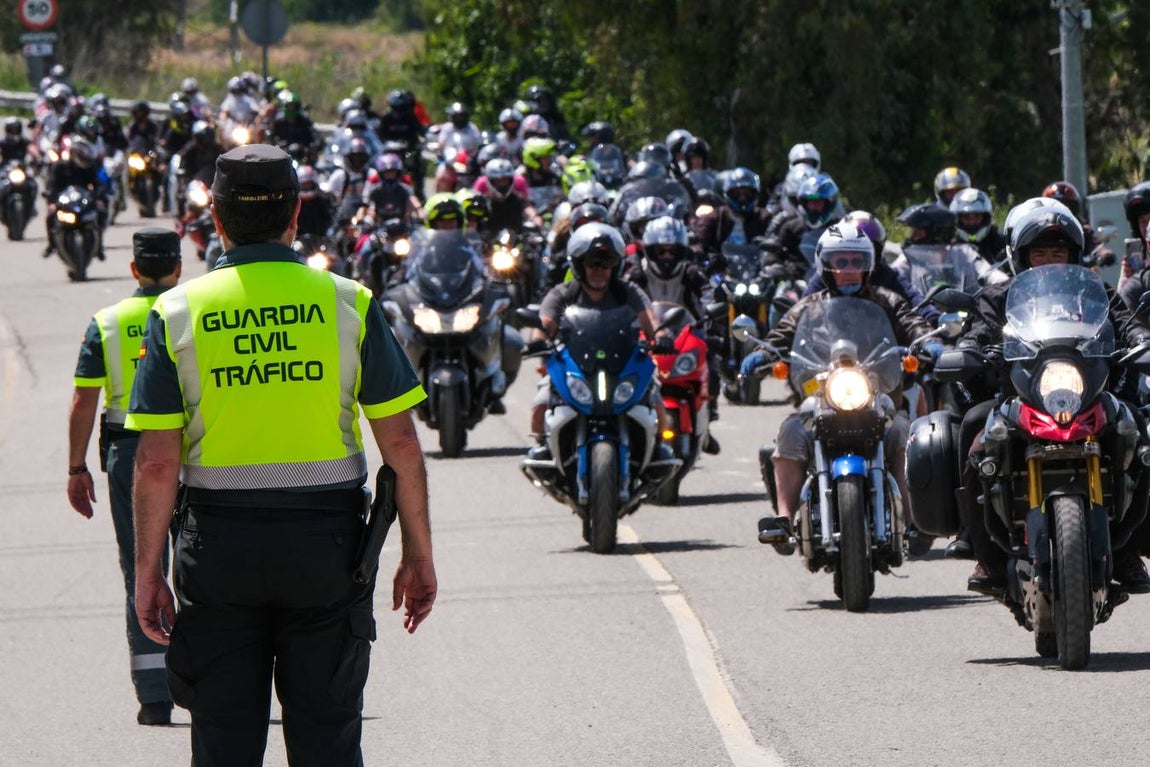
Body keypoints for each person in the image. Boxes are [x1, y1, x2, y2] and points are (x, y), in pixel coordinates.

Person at [127, 145, 436, 765]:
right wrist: (417, 555)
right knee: (328, 739)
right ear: (296, 216)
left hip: (217, 554)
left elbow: (157, 463)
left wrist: (146, 572)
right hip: (327, 556)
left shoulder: (177, 312)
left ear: (214, 220)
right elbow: (400, 442)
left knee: (224, 743)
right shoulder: (350, 302)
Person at [956, 201, 1150, 594]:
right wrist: (969, 349)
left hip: (1087, 394)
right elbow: (976, 332)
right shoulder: (998, 296)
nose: (1048, 259)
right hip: (1021, 396)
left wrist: (1142, 342)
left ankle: (1129, 550)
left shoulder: (1094, 291)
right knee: (973, 427)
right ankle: (986, 555)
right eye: (1039, 252)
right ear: (1021, 256)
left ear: (1072, 255)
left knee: (1137, 432)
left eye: (1056, 252)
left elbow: (1127, 325)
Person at [750, 223, 935, 553]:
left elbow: (913, 323)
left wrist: (929, 342)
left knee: (904, 436)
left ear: (868, 265)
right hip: (822, 400)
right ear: (825, 265)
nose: (849, 269)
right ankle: (784, 520)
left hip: (877, 400)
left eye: (856, 261)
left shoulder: (887, 300)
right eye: (840, 261)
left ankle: (913, 519)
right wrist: (761, 354)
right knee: (791, 433)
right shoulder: (808, 307)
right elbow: (780, 336)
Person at [67, 228, 183, 726]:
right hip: (188, 449)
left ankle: (154, 697)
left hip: (128, 455)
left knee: (142, 566)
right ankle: (205, 685)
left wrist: (76, 467)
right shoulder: (187, 313)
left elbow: (83, 401)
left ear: (134, 269)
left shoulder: (107, 323)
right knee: (200, 563)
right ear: (178, 267)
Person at [527, 222, 675, 459]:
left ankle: (657, 447)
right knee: (541, 403)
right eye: (592, 263)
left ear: (614, 266)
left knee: (657, 399)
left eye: (605, 264)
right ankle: (544, 445)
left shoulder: (628, 292)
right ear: (579, 265)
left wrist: (661, 337)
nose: (599, 270)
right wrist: (538, 339)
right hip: (574, 365)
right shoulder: (564, 292)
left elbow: (651, 320)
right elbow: (545, 321)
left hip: (623, 362)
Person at [948, 187, 1006, 263]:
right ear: (957, 219)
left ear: (985, 218)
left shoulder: (998, 240)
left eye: (977, 216)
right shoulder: (948, 243)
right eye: (966, 217)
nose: (971, 222)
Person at [1118, 181, 1150, 311]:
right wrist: (1127, 278)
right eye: (1143, 221)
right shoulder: (1138, 255)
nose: (1147, 226)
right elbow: (1122, 307)